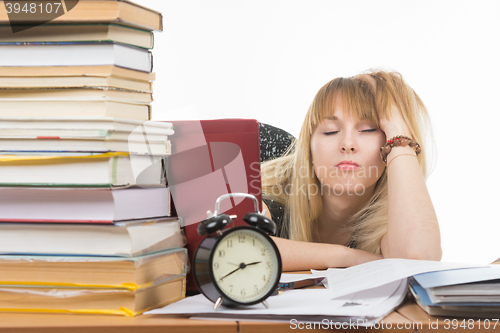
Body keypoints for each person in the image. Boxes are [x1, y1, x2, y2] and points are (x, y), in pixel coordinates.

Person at [261, 70, 442, 271]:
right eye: (331, 131)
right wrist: (346, 256)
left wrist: (398, 128)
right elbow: (233, 248)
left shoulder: (398, 214)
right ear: (309, 145)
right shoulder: (268, 177)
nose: (348, 144)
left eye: (368, 130)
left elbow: (417, 259)